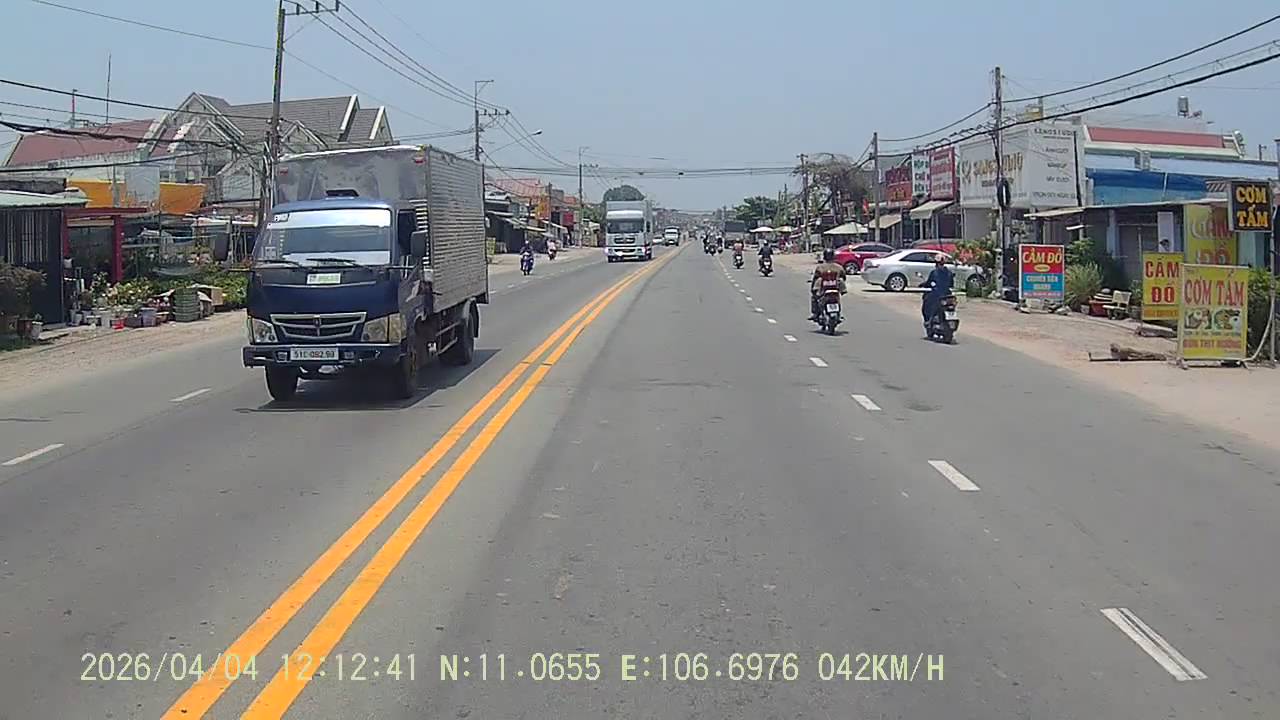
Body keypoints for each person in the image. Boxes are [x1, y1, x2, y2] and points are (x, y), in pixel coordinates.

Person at [810, 248, 846, 320]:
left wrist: (813, 289)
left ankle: (815, 313)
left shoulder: (820, 267)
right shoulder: (839, 267)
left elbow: (815, 278)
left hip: (823, 289)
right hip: (835, 288)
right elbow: (843, 277)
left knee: (814, 297)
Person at [921, 254, 955, 330]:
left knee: (926, 304)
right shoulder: (949, 273)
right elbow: (951, 284)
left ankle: (928, 321)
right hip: (947, 295)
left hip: (937, 295)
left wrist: (924, 285)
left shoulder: (934, 272)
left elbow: (929, 283)